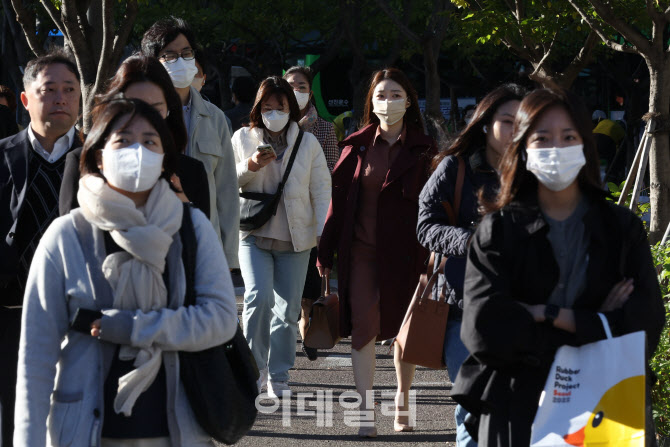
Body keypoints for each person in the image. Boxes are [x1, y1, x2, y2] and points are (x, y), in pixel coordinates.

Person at [14, 98, 238, 447]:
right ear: (99, 156)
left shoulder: (191, 226)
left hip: (178, 433)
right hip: (84, 433)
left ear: (164, 158)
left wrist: (133, 328)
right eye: (123, 140)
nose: (138, 151)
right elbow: (35, 359)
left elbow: (221, 318)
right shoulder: (66, 236)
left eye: (150, 141)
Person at [450, 88, 665, 446]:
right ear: (522, 148)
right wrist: (596, 323)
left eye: (568, 137)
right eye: (542, 138)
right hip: (519, 408)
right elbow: (484, 330)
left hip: (605, 409)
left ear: (585, 144)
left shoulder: (621, 229)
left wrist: (546, 313)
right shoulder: (498, 231)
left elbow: (645, 322)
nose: (556, 148)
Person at [317, 68, 436, 437]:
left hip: (409, 253)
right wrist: (325, 251)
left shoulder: (424, 149)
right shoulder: (356, 145)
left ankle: (402, 400)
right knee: (363, 328)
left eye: (396, 94)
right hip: (362, 253)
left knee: (404, 331)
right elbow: (337, 203)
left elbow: (437, 203)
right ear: (370, 101)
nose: (388, 102)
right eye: (381, 95)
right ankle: (365, 410)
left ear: (410, 100)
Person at [417, 83, 527, 447]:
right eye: (508, 121)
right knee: (473, 411)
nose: (517, 131)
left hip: (527, 309)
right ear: (485, 123)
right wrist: (470, 241)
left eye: (524, 122)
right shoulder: (456, 167)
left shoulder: (537, 172)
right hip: (465, 308)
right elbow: (425, 225)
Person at [0, 50, 81, 447]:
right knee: (14, 423)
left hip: (82, 317)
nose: (61, 98)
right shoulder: (2, 157)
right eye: (49, 90)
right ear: (26, 98)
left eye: (69, 90)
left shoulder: (98, 160)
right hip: (11, 314)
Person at [233, 75, 330, 399]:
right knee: (257, 298)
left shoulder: (308, 143)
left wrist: (321, 236)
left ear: (291, 108)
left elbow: (321, 189)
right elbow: (228, 181)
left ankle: (279, 374)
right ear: (258, 108)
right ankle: (255, 368)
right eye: (267, 107)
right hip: (253, 233)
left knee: (288, 310)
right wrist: (251, 165)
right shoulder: (243, 137)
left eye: (280, 106)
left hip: (296, 238)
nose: (273, 112)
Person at [141, 16, 239, 270]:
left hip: (203, 244)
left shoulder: (215, 117)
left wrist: (228, 259)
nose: (181, 61)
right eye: (170, 56)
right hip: (149, 241)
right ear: (153, 63)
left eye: (186, 53)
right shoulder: (137, 114)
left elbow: (227, 190)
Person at [59, 54, 210, 218]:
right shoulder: (83, 165)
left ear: (168, 111)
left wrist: (185, 213)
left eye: (154, 110)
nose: (144, 119)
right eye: (132, 108)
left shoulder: (191, 173)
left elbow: (202, 241)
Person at [283, 65, 340, 361]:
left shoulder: (325, 128)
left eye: (302, 86)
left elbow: (331, 173)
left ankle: (309, 329)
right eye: (290, 85)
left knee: (309, 282)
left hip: (311, 217)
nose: (296, 91)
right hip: (279, 218)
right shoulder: (271, 127)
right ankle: (283, 335)